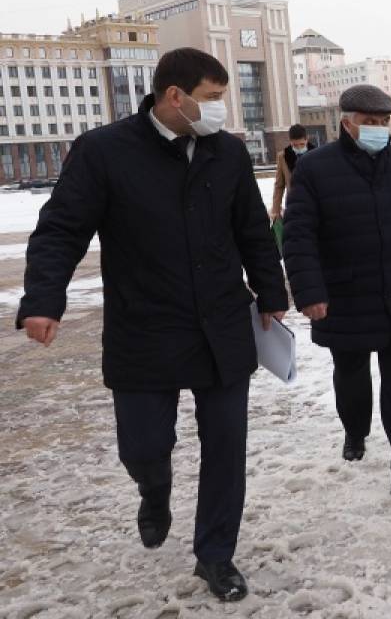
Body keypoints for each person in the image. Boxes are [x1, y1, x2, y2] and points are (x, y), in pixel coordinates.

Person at [17, 47, 288, 602]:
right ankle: (154, 489)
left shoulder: (227, 153)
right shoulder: (103, 152)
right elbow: (62, 229)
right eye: (212, 99)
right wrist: (44, 299)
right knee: (142, 446)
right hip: (145, 326)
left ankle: (215, 555)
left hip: (221, 324)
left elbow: (252, 231)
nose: (219, 110)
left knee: (226, 447)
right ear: (175, 96)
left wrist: (271, 292)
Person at [283, 84, 391, 507]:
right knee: (351, 379)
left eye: (384, 122)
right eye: (369, 122)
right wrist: (309, 292)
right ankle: (355, 428)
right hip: (344, 296)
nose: (378, 129)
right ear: (346, 122)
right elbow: (298, 238)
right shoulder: (315, 169)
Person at [269, 124, 316, 223]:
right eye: (295, 145)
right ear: (290, 142)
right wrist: (275, 210)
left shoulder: (317, 154)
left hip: (314, 205)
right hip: (293, 206)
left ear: (306, 139)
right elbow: (279, 185)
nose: (299, 148)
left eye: (302, 144)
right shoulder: (282, 157)